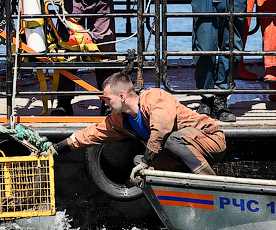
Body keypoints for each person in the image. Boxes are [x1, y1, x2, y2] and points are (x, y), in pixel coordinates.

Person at [47, 72, 226, 175]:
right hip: (181, 152)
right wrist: (58, 148)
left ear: (122, 97)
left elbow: (160, 130)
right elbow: (92, 133)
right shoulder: (119, 119)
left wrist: (148, 161)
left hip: (211, 141)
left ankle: (211, 184)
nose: (105, 103)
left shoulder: (155, 97)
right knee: (138, 160)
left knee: (171, 141)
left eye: (108, 99)